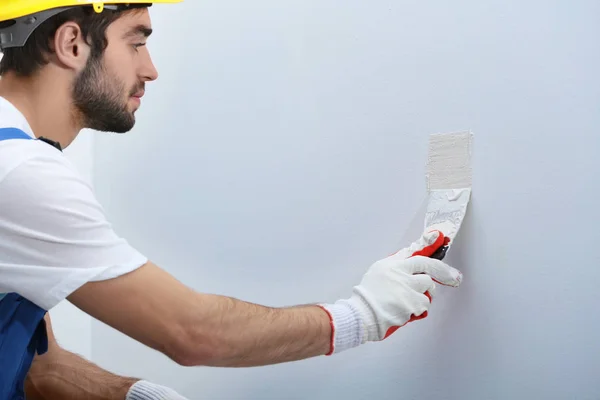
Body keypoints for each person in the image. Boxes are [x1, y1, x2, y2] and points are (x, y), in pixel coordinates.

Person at [0, 1, 464, 399]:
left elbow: (40, 367)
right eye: (136, 43)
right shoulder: (22, 172)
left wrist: (133, 393)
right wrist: (363, 315)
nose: (151, 69)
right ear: (72, 43)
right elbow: (194, 333)